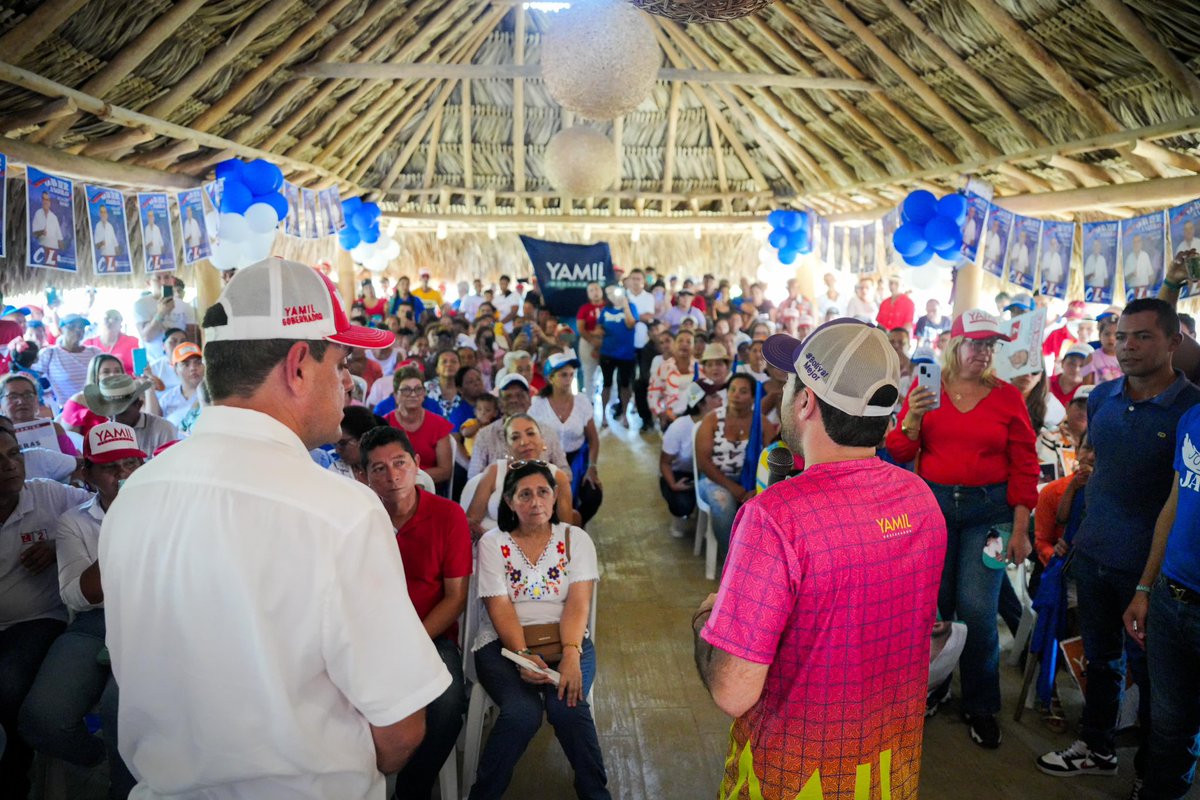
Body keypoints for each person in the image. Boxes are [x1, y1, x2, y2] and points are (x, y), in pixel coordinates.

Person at [99, 258, 450, 797]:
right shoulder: (341, 512)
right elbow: (400, 730)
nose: (349, 381)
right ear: (298, 366)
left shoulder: (135, 496)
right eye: (341, 362)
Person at [693, 320, 945, 799]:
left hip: (793, 775)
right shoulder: (920, 499)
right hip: (889, 771)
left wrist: (706, 620)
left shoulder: (775, 517)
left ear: (806, 402)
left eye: (790, 383)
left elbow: (732, 691)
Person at [1037, 299, 1200, 786]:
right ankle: (1097, 746)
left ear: (1173, 343)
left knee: (1154, 680)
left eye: (1143, 336)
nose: (1128, 346)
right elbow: (1096, 463)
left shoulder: (1189, 408)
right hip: (1094, 552)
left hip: (1150, 569)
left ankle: (1152, 776)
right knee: (1100, 658)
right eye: (1123, 336)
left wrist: (1148, 583)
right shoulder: (1104, 396)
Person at [886, 309, 1039, 748]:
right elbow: (900, 450)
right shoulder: (926, 390)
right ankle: (934, 688)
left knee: (977, 609)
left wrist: (1021, 529)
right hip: (933, 507)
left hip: (989, 512)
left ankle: (981, 704)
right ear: (955, 345)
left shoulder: (1007, 397)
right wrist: (912, 418)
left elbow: (1025, 464)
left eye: (991, 345)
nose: (984, 352)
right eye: (976, 343)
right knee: (935, 609)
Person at [468, 460, 608, 800]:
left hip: (567, 640)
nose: (535, 502)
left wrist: (571, 655)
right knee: (522, 713)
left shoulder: (575, 539)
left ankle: (595, 793)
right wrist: (522, 655)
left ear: (555, 495)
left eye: (543, 492)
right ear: (509, 501)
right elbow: (499, 607)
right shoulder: (493, 543)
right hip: (502, 644)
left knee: (568, 707)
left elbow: (578, 604)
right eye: (525, 494)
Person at [18, 421, 143, 798]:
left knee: (121, 707)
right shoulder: (74, 520)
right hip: (96, 621)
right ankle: (103, 765)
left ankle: (126, 787)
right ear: (87, 474)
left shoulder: (169, 511)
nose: (122, 475)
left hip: (151, 620)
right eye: (110, 467)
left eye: (130, 464)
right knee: (42, 719)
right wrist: (121, 528)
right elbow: (76, 596)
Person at [360, 426, 471, 800]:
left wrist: (411, 643)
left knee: (449, 702)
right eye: (378, 469)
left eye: (399, 463)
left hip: (431, 635)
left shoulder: (448, 515)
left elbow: (455, 598)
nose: (392, 477)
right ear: (364, 476)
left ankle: (411, 790)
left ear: (417, 463)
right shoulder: (359, 520)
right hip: (370, 638)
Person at [0, 427, 92, 795]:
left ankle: (14, 778)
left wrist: (59, 543)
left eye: (14, 454)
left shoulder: (48, 495)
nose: (9, 465)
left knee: (7, 682)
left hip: (38, 619)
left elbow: (98, 510)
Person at [1122, 401, 1200, 800]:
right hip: (1171, 596)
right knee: (1169, 727)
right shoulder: (1193, 417)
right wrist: (1146, 587)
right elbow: (1173, 505)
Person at [530, 351, 603, 524]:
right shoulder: (538, 404)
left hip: (577, 460)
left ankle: (577, 524)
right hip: (548, 461)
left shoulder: (582, 402)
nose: (569, 379)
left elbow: (593, 439)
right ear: (551, 378)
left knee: (593, 494)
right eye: (563, 375)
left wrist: (591, 466)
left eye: (571, 374)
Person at [694, 373, 757, 566]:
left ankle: (756, 560)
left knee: (768, 506)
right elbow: (703, 461)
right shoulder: (712, 419)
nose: (736, 395)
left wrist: (757, 488)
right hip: (714, 479)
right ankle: (732, 562)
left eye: (743, 391)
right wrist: (733, 488)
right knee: (724, 505)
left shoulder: (759, 422)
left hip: (749, 482)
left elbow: (770, 454)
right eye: (732, 390)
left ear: (753, 397)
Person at [468, 373, 570, 478]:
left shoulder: (547, 432)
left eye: (520, 395)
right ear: (500, 403)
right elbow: (473, 476)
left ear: (529, 400)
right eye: (508, 396)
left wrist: (547, 479)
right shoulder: (485, 435)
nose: (514, 400)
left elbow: (565, 470)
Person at [660, 382, 719, 537]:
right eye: (714, 397)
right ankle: (679, 518)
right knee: (682, 503)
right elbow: (665, 463)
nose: (721, 399)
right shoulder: (679, 427)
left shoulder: (722, 421)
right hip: (682, 473)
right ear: (701, 404)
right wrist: (673, 484)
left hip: (710, 473)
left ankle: (709, 527)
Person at [384, 366, 454, 486]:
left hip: (429, 486)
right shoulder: (384, 424)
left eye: (418, 389)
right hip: (392, 486)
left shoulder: (439, 424)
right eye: (406, 390)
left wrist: (415, 479)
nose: (413, 394)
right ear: (395, 395)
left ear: (424, 394)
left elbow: (445, 471)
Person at [36, 313, 102, 407]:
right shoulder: (49, 354)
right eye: (71, 327)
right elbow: (33, 379)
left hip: (94, 408)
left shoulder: (94, 352)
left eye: (81, 327)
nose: (78, 330)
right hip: (65, 410)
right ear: (61, 330)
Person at [0, 373, 76, 454]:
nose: (21, 401)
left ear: (37, 399)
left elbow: (74, 459)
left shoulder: (55, 429)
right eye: (13, 396)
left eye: (28, 395)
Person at [133, 275, 198, 361]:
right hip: (153, 362)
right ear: (149, 283)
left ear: (172, 280)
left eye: (167, 277)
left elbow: (192, 338)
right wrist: (162, 313)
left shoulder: (185, 306)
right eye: (158, 278)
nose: (163, 282)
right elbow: (146, 337)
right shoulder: (141, 304)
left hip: (181, 360)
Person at [597, 286, 637, 428]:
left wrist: (625, 305)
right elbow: (599, 327)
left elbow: (631, 324)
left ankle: (625, 414)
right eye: (610, 294)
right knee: (606, 384)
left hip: (626, 354)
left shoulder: (631, 307)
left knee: (625, 385)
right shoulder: (605, 310)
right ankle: (603, 415)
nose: (614, 296)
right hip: (607, 353)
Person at [647, 330, 696, 427]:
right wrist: (661, 414)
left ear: (693, 347)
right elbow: (653, 393)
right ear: (674, 345)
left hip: (695, 418)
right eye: (680, 341)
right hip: (670, 417)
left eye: (688, 342)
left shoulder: (700, 369)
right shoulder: (664, 368)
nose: (684, 344)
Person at [158, 341, 205, 430]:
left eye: (198, 362)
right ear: (175, 369)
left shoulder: (214, 395)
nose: (193, 368)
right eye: (186, 364)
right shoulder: (167, 400)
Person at [82, 310, 139, 375]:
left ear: (121, 325)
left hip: (128, 381)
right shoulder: (88, 344)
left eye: (116, 319)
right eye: (107, 318)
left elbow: (141, 370)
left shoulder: (134, 342)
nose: (111, 321)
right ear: (100, 323)